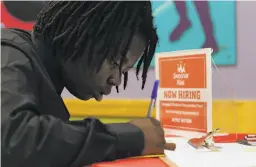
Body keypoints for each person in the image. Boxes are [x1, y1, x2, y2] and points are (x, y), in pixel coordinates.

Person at [1, 1, 176, 167]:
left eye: (123, 71)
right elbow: (12, 141)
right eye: (115, 62)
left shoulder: (42, 77)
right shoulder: (8, 52)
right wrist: (131, 138)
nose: (116, 80)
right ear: (79, 33)